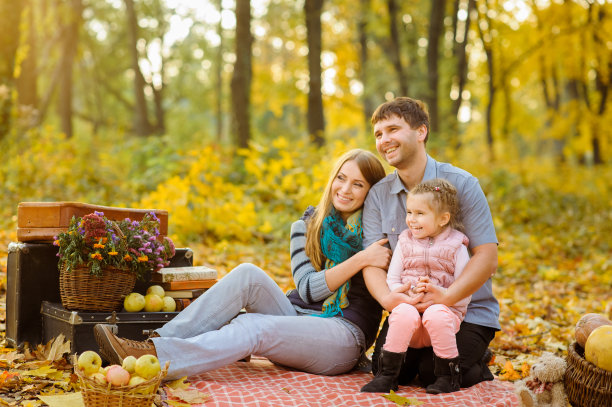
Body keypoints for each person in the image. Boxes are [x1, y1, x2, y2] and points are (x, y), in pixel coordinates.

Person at [93, 148, 398, 380]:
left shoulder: (378, 236)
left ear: (372, 192)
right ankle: (154, 343)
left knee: (250, 325)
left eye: (358, 184)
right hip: (296, 316)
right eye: (341, 178)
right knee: (248, 274)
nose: (345, 189)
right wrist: (360, 259)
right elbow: (307, 291)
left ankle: (158, 361)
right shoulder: (307, 226)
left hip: (340, 336)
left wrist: (369, 255)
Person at [361, 97, 500, 392]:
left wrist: (447, 297)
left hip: (465, 311)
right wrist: (389, 300)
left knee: (430, 372)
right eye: (378, 134)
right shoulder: (378, 195)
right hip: (409, 309)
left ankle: (478, 357)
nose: (384, 140)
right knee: (387, 372)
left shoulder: (462, 184)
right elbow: (373, 261)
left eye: (393, 129)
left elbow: (487, 258)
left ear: (421, 132)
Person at [361, 178, 471, 394]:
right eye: (409, 212)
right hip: (410, 315)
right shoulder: (405, 242)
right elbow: (392, 279)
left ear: (443, 219)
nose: (411, 220)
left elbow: (464, 289)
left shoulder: (457, 247)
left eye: (420, 214)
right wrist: (403, 294)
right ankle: (387, 376)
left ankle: (448, 377)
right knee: (402, 313)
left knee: (437, 314)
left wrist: (444, 295)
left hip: (442, 317)